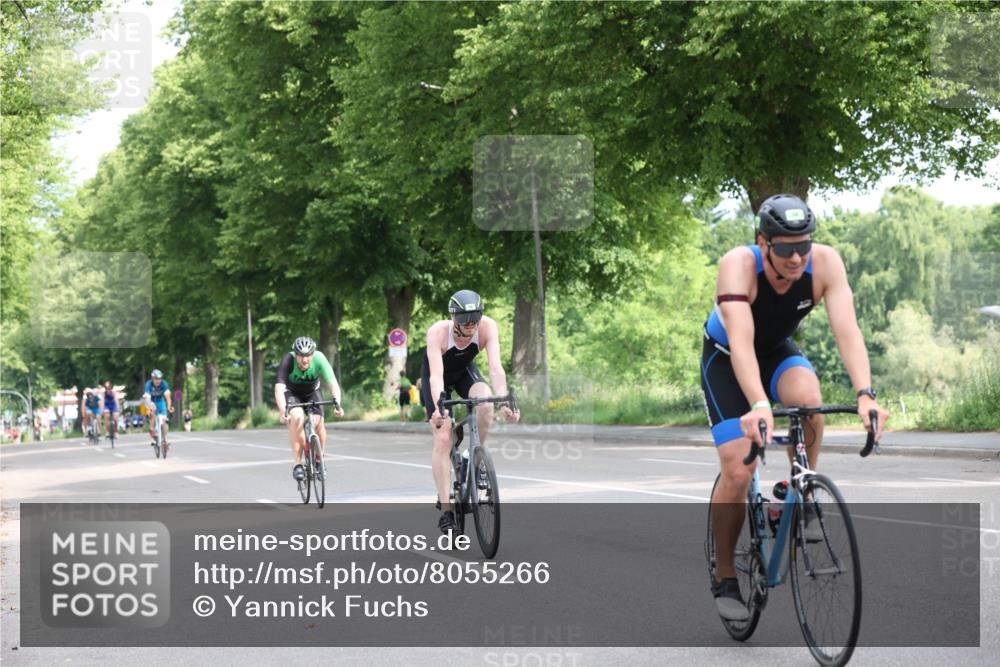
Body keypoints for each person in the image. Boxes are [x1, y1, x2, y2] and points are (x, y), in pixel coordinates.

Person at [702, 194, 890, 621]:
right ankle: (726, 572)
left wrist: (866, 393)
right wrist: (757, 404)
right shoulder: (738, 265)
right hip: (728, 358)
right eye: (785, 248)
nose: (796, 257)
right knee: (738, 468)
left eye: (804, 246)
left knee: (809, 400)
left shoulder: (824, 264)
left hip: (777, 352)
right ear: (762, 242)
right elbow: (742, 346)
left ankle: (798, 488)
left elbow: (848, 330)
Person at [421, 289, 519, 534]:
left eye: (476, 317)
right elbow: (435, 377)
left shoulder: (488, 327)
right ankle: (446, 511)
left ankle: (474, 457)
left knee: (485, 401)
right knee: (443, 437)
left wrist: (505, 401)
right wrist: (439, 409)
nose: (472, 324)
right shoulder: (437, 332)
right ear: (455, 319)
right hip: (438, 378)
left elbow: (496, 369)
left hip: (465, 373)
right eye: (466, 320)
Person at [274, 336, 344, 482]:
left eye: (308, 356)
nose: (305, 360)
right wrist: (282, 411)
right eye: (301, 356)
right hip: (292, 393)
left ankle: (319, 460)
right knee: (297, 417)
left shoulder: (320, 358)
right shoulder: (288, 359)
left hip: (312, 392)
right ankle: (298, 464)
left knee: (318, 422)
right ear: (295, 354)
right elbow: (279, 388)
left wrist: (338, 403)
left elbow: (333, 383)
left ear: (313, 353)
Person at [143, 370, 173, 449]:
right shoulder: (148, 384)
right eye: (156, 379)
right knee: (153, 408)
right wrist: (149, 408)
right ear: (152, 378)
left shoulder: (164, 384)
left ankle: (165, 440)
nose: (158, 381)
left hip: (160, 401)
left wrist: (169, 406)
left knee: (165, 421)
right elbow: (147, 397)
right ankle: (152, 429)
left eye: (159, 379)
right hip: (150, 401)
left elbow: (167, 396)